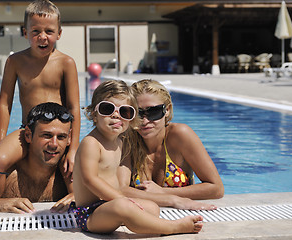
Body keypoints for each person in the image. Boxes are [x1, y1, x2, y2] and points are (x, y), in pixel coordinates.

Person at [71, 80, 204, 235]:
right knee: (124, 206)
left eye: (125, 112)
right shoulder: (91, 143)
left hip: (108, 206)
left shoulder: (119, 142)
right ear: (94, 113)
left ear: (132, 118)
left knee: (152, 207)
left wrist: (124, 201)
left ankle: (139, 220)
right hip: (89, 214)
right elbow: (90, 180)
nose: (116, 115)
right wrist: (121, 199)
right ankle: (172, 227)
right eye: (107, 109)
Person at [0, 0, 80, 182]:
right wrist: (0, 140)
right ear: (25, 33)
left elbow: (74, 107)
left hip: (57, 133)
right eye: (36, 31)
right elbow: (5, 103)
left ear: (59, 34)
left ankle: (73, 205)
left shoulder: (66, 63)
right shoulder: (15, 62)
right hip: (27, 130)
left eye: (49, 31)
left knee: (73, 171)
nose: (42, 36)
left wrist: (73, 148)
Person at [118, 79, 224, 207]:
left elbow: (216, 188)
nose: (145, 121)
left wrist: (163, 191)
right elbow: (120, 189)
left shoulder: (180, 135)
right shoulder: (127, 140)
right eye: (138, 114)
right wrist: (171, 199)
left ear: (167, 110)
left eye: (153, 112)